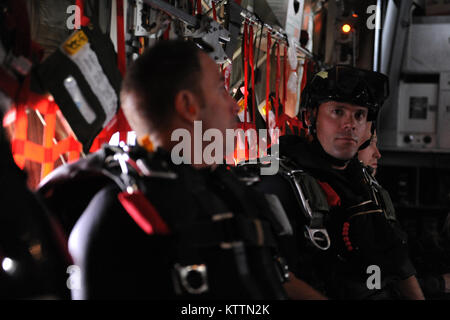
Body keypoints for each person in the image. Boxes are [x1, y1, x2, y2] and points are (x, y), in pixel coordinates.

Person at [40, 40, 294, 299]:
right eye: (221, 90)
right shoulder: (118, 217)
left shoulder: (229, 190)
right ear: (188, 105)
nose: (234, 106)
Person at [239, 65, 425, 299]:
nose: (351, 124)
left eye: (359, 115)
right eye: (338, 111)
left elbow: (398, 262)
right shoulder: (279, 184)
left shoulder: (367, 187)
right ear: (310, 117)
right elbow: (273, 276)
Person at [358, 124, 450, 299]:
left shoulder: (374, 197)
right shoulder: (359, 208)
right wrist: (437, 283)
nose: (378, 153)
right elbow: (373, 283)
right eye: (369, 144)